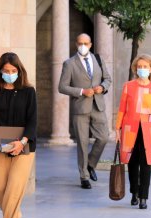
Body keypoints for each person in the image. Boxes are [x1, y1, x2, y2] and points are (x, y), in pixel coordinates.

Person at [0, 52, 37, 218]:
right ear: (0, 71)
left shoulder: (28, 91)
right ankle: (14, 212)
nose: (10, 74)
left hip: (24, 144)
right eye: (6, 71)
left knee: (14, 188)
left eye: (13, 71)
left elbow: (33, 120)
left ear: (19, 71)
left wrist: (22, 142)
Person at [59, 33, 112, 189]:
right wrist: (82, 91)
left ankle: (90, 164)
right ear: (76, 44)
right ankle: (84, 176)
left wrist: (102, 87)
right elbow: (62, 87)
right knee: (82, 143)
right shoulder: (69, 63)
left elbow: (107, 79)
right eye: (80, 43)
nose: (83, 46)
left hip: (98, 105)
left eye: (86, 43)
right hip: (80, 108)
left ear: (90, 44)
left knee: (103, 137)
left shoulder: (98, 59)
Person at [115, 54, 151, 209]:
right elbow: (122, 109)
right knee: (132, 162)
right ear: (136, 68)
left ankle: (144, 197)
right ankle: (134, 193)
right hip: (130, 129)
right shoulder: (128, 86)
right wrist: (117, 128)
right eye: (139, 66)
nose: (142, 69)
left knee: (146, 163)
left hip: (148, 131)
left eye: (145, 66)